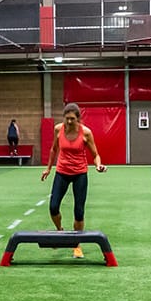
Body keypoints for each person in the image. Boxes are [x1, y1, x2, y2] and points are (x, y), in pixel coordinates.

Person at [41, 103, 106, 259]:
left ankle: (76, 245)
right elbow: (54, 149)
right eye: (67, 118)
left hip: (79, 174)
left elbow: (95, 154)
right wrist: (48, 169)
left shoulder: (86, 133)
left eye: (72, 119)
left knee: (79, 211)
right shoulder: (58, 129)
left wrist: (98, 165)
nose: (69, 122)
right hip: (62, 172)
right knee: (53, 206)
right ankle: (60, 232)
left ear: (78, 118)